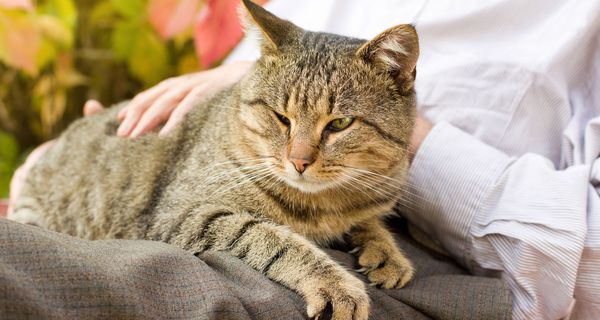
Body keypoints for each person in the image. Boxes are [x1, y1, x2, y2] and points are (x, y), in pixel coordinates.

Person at [8, 0, 600, 319]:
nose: (299, 157)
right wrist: (69, 156)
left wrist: (413, 142)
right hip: (139, 210)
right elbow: (192, 175)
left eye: (334, 127)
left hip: (418, 283)